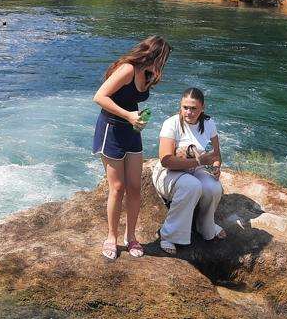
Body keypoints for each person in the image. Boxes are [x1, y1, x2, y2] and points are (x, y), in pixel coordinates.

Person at [92, 36, 171, 260]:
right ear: (155, 56)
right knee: (117, 187)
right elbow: (99, 96)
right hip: (112, 129)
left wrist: (137, 119)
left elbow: (133, 100)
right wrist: (129, 115)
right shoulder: (127, 69)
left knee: (135, 187)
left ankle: (132, 236)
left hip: (131, 132)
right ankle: (111, 237)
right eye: (163, 60)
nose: (163, 66)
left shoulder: (148, 73)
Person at [151, 87, 226, 255]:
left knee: (214, 187)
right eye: (185, 107)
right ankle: (169, 235)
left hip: (196, 169)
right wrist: (198, 161)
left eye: (194, 108)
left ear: (202, 108)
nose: (189, 112)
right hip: (169, 172)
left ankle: (205, 226)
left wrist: (216, 167)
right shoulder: (171, 124)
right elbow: (166, 160)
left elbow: (216, 154)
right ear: (180, 106)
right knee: (191, 185)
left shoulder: (208, 123)